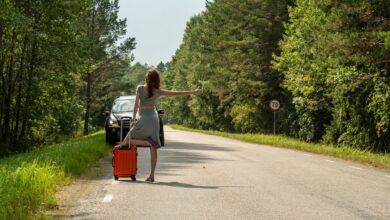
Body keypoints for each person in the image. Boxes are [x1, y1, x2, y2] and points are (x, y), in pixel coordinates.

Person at [122, 68, 202, 182]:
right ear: (157, 80)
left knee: (126, 140)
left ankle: (146, 142)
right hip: (154, 120)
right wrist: (193, 92)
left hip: (143, 119)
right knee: (153, 148)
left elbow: (135, 106)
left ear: (146, 78)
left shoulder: (139, 88)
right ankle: (152, 176)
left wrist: (133, 120)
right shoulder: (158, 91)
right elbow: (176, 93)